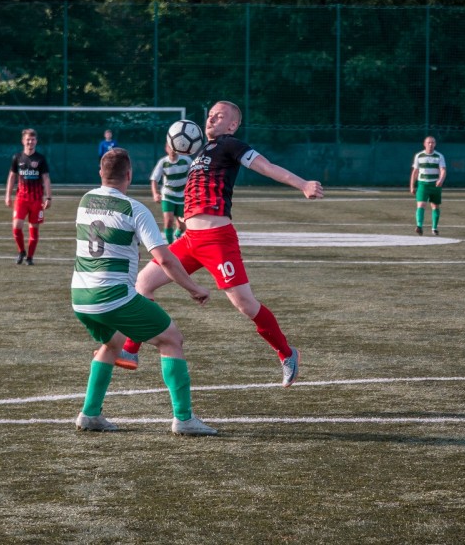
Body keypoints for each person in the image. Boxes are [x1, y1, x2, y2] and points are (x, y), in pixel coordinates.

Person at [116, 101, 323, 387]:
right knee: (143, 283)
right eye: (210, 114)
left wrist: (302, 184)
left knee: (245, 304)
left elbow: (266, 167)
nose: (212, 118)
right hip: (189, 240)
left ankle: (287, 353)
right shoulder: (200, 152)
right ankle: (130, 349)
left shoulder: (230, 145)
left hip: (217, 240)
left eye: (220, 115)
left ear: (232, 125)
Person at [73, 148, 216, 435]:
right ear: (129, 175)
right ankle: (184, 419)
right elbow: (165, 259)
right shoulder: (134, 209)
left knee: (113, 343)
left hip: (80, 296)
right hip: (112, 296)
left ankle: (90, 414)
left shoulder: (86, 200)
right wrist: (193, 288)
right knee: (172, 339)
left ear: (100, 173)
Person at [5, 128, 52, 265]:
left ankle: (30, 257)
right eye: (28, 139)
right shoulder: (17, 157)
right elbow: (12, 177)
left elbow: (46, 178)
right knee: (16, 226)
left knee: (34, 229)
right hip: (21, 198)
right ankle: (21, 251)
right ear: (23, 141)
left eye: (32, 139)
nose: (30, 142)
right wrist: (8, 195)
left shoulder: (41, 159)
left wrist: (48, 197)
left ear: (36, 141)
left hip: (36, 200)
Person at [150, 141, 192, 243]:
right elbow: (154, 179)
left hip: (183, 196)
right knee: (168, 221)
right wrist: (155, 194)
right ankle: (170, 246)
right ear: (166, 149)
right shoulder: (163, 162)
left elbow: (195, 174)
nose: (172, 150)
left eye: (174, 148)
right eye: (170, 147)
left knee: (182, 226)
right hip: (168, 195)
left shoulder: (186, 160)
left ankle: (177, 235)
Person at [410, 135, 446, 236]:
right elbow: (415, 172)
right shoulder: (419, 156)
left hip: (435, 185)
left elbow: (443, 170)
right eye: (429, 142)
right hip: (423, 184)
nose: (430, 144)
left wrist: (440, 180)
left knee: (435, 206)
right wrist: (412, 186)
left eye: (433, 142)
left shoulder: (439, 156)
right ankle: (419, 226)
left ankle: (434, 228)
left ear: (435, 144)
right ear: (424, 144)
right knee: (421, 205)